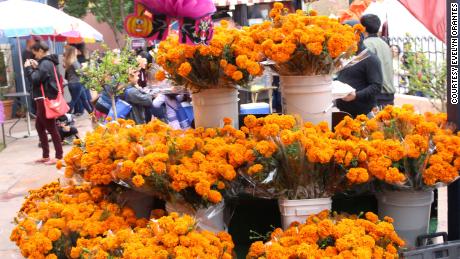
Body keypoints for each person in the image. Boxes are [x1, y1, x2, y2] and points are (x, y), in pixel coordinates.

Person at [24, 41, 63, 165]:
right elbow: (41, 78)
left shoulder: (45, 63)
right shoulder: (46, 63)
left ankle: (58, 156)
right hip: (42, 98)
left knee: (51, 128)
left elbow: (35, 80)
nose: (35, 56)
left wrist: (29, 68)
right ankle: (46, 155)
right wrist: (36, 67)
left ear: (41, 50)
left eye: (35, 53)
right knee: (39, 127)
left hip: (43, 99)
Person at [335, 20, 383, 118]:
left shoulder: (370, 58)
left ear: (358, 36)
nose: (344, 39)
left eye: (348, 35)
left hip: (363, 115)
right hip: (343, 112)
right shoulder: (344, 57)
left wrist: (356, 95)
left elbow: (376, 86)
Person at [360, 14, 395, 107]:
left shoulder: (366, 44)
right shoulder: (384, 44)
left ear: (363, 28)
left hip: (377, 96)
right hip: (388, 94)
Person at [63, 45, 93, 115]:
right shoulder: (74, 62)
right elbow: (80, 73)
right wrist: (85, 70)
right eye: (76, 51)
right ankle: (66, 116)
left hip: (72, 83)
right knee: (73, 101)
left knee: (84, 100)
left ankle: (92, 114)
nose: (77, 52)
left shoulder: (69, 61)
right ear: (73, 52)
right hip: (77, 83)